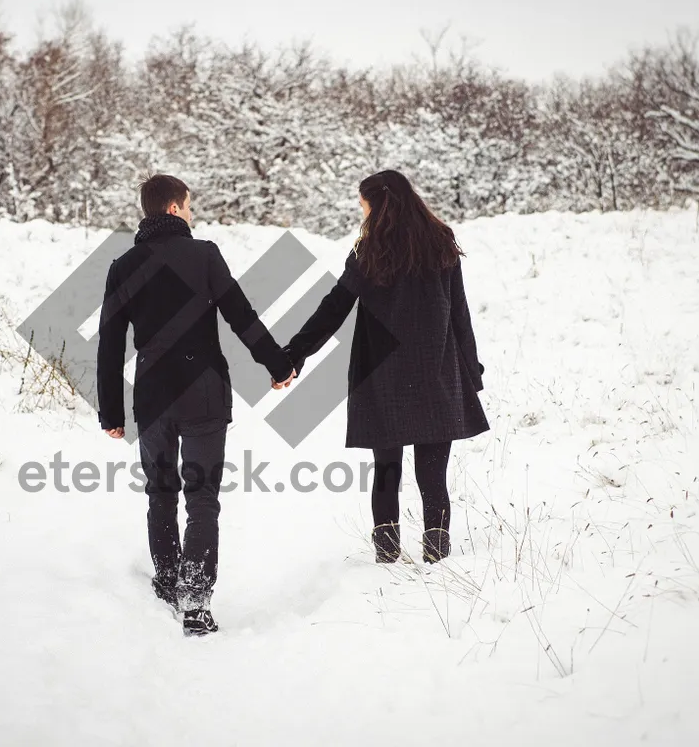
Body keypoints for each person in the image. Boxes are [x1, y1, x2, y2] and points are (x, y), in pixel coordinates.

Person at [97, 174, 297, 636]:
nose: (192, 212)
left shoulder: (123, 266)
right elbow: (240, 316)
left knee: (160, 492)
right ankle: (196, 601)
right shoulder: (204, 255)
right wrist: (278, 364)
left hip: (152, 396)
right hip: (204, 391)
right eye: (188, 205)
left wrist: (112, 412)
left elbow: (110, 345)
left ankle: (168, 582)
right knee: (202, 499)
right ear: (172, 208)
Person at [281, 170, 489, 564]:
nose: (361, 211)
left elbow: (333, 310)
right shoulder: (440, 244)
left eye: (363, 203)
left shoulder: (370, 252)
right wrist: (470, 370)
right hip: (435, 371)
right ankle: (436, 551)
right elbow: (459, 313)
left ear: (379, 204)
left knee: (387, 470)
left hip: (382, 376)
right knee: (433, 474)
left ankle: (387, 554)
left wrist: (295, 353)